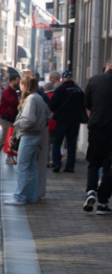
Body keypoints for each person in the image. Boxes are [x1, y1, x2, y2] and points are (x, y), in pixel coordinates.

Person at [5, 75, 51, 205]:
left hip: (28, 135)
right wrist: (40, 124)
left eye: (21, 84)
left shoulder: (31, 99)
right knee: (31, 167)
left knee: (22, 167)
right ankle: (32, 196)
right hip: (35, 135)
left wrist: (18, 123)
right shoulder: (39, 98)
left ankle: (20, 197)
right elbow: (48, 116)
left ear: (24, 85)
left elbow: (29, 120)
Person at [84, 59, 112, 213]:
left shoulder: (95, 80)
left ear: (108, 66)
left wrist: (94, 117)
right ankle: (102, 203)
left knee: (94, 162)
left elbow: (87, 104)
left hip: (96, 128)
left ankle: (91, 191)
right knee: (109, 167)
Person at [49, 70, 83, 174]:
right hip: (75, 121)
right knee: (71, 143)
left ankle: (57, 163)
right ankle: (70, 166)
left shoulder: (60, 89)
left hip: (62, 120)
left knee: (57, 141)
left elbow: (52, 105)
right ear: (71, 78)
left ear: (62, 79)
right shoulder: (79, 90)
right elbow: (84, 104)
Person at [0, 73, 21, 165]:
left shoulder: (13, 91)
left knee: (10, 137)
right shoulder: (7, 91)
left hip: (10, 116)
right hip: (5, 117)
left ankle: (9, 157)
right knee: (6, 136)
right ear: (11, 81)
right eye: (17, 81)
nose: (18, 83)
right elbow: (13, 102)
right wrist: (20, 101)